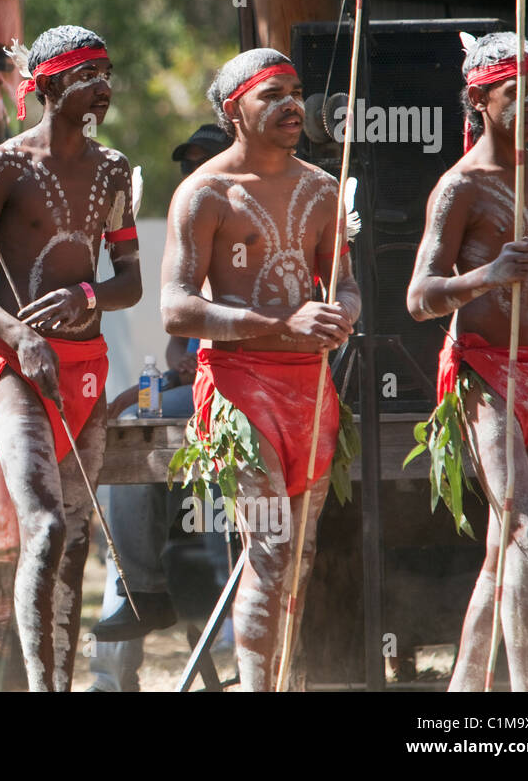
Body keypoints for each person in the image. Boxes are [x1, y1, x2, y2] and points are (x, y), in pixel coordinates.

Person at [0, 25, 142, 691]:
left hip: (86, 367)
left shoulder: (112, 169)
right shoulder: (4, 165)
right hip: (17, 370)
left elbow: (131, 281)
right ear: (51, 87)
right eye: (91, 77)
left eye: (108, 74)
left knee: (78, 542)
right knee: (48, 526)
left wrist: (87, 294)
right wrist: (18, 332)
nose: (105, 89)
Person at [160, 49, 359, 691]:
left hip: (311, 390)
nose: (291, 105)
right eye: (271, 94)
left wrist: (341, 314)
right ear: (233, 111)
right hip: (241, 394)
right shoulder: (205, 192)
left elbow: (346, 285)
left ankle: (279, 682)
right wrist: (281, 324)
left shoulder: (322, 187)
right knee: (270, 551)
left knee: (299, 557)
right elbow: (176, 309)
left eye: (296, 92)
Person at [406, 32, 528, 692]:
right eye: (519, 94)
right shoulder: (459, 188)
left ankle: (465, 691)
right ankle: (524, 699)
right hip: (485, 373)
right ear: (481, 100)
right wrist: (486, 274)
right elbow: (420, 298)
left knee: (504, 549)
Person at [88, 124, 231, 691]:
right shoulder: (188, 224)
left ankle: (239, 630)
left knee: (236, 507)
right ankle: (135, 610)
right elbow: (180, 336)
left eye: (205, 159)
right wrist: (176, 359)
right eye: (187, 163)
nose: (193, 171)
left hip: (251, 388)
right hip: (192, 385)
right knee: (123, 434)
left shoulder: (256, 211)